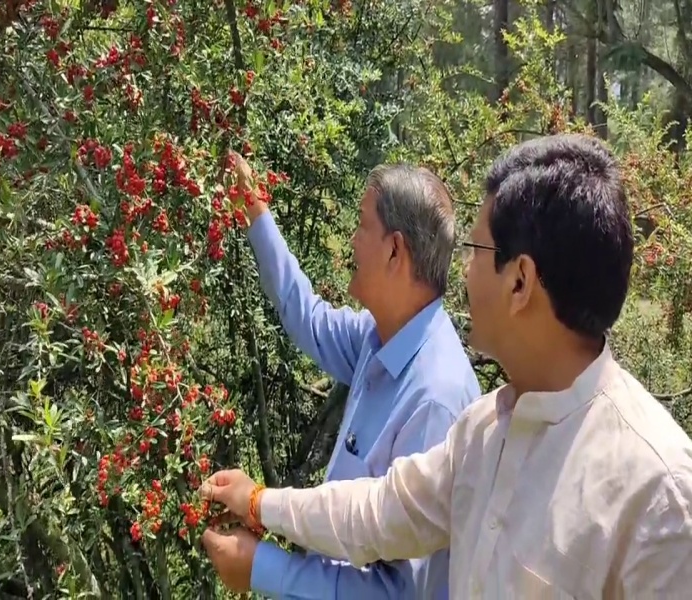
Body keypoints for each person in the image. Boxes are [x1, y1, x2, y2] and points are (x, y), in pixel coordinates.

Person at [200, 134, 692, 597]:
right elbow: (377, 511)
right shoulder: (481, 433)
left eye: (475, 252)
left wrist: (263, 558)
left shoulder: (660, 493)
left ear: (520, 282)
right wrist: (259, 503)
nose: (460, 271)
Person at [200, 152, 480, 599]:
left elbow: (398, 593)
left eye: (362, 225)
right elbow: (305, 314)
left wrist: (263, 568)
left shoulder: (434, 401)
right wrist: (253, 207)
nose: (351, 240)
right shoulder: (381, 337)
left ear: (394, 249)